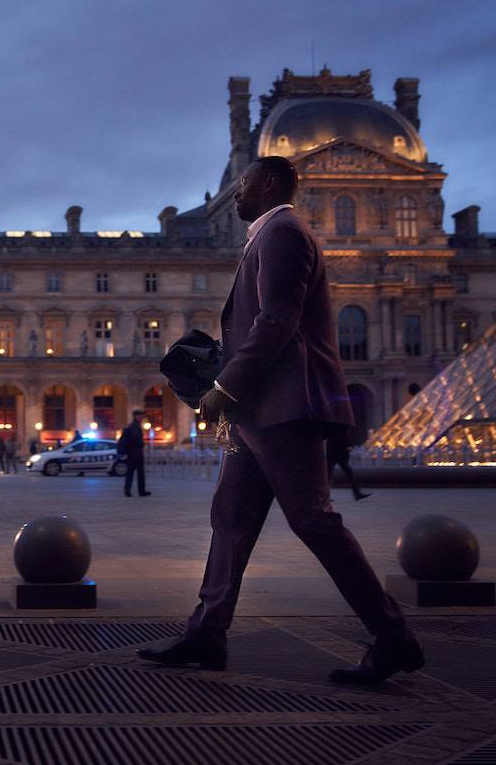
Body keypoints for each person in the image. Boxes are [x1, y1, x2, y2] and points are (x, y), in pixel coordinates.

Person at [136, 156, 422, 684]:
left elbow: (277, 321)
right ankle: (208, 629)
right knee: (230, 516)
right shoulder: (271, 234)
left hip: (283, 408)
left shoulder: (284, 232)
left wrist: (224, 387)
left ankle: (393, 637)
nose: (236, 196)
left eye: (243, 186)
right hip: (261, 410)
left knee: (314, 520)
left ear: (267, 184)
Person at [327, 431, 370, 500]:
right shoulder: (338, 428)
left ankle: (357, 494)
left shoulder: (336, 427)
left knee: (329, 476)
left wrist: (348, 445)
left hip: (336, 455)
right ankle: (357, 494)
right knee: (329, 476)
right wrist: (347, 445)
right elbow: (341, 438)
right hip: (336, 454)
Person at [118, 408, 151, 497]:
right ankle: (140, 491)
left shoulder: (132, 426)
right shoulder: (135, 427)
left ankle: (129, 490)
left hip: (132, 453)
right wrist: (141, 445)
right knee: (138, 473)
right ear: (136, 416)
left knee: (131, 473)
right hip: (135, 453)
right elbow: (137, 440)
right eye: (140, 415)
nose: (142, 417)